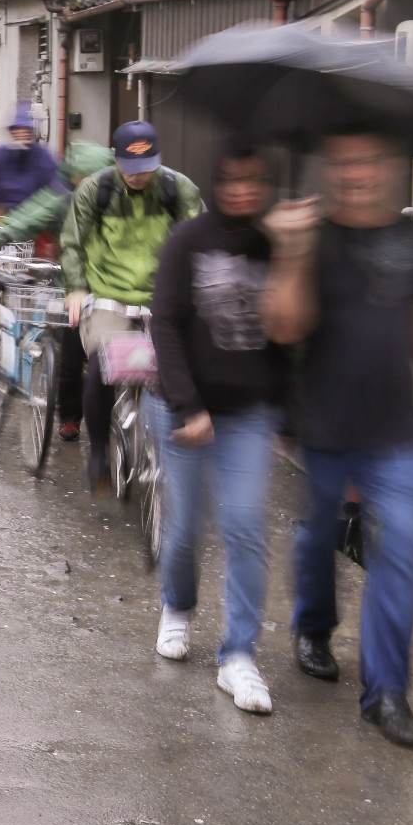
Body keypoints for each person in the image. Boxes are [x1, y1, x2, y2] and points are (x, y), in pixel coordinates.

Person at [262, 129, 413, 751]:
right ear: (332, 169)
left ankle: (385, 692)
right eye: (346, 162)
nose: (359, 173)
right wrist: (289, 252)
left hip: (392, 427)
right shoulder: (315, 234)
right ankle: (312, 626)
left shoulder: (406, 237)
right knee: (318, 535)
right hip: (326, 424)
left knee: (405, 546)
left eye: (370, 161)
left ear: (389, 167)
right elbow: (284, 323)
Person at [146, 143, 287, 714]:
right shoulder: (188, 241)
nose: (244, 190)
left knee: (246, 525)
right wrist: (189, 404)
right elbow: (167, 325)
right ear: (217, 181)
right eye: (234, 178)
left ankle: (238, 656)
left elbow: (289, 339)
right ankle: (177, 607)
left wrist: (288, 415)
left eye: (255, 180)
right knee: (186, 530)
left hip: (251, 413)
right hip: (184, 408)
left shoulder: (277, 246)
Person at [59, 119, 204, 492]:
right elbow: (73, 243)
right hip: (110, 295)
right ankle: (99, 454)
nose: (140, 176)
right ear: (117, 159)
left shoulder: (178, 189)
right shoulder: (96, 189)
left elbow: (200, 241)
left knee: (179, 367)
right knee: (105, 365)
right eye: (131, 168)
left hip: (163, 299)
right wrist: (76, 288)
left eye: (147, 167)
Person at [0, 139, 115, 439]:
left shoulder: (121, 201)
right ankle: (70, 417)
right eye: (84, 179)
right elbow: (29, 217)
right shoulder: (63, 199)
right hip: (74, 289)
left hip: (114, 289)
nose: (90, 185)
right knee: (71, 355)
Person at [0, 103, 62, 223]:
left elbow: (55, 191)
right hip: (1, 219)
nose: (23, 133)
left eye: (27, 129)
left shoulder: (43, 158)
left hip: (33, 221)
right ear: (11, 132)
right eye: (18, 129)